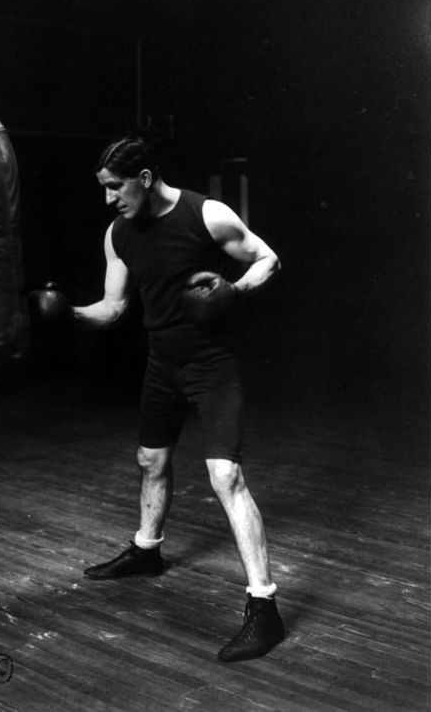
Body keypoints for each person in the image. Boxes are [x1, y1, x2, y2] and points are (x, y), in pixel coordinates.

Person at [70, 135, 285, 663]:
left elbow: (267, 259)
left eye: (115, 188)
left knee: (225, 476)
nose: (108, 199)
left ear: (144, 179)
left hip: (213, 364)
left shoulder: (206, 214)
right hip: (162, 363)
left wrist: (235, 292)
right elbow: (114, 306)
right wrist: (63, 314)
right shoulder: (118, 232)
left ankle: (265, 609)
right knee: (151, 460)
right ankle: (147, 551)